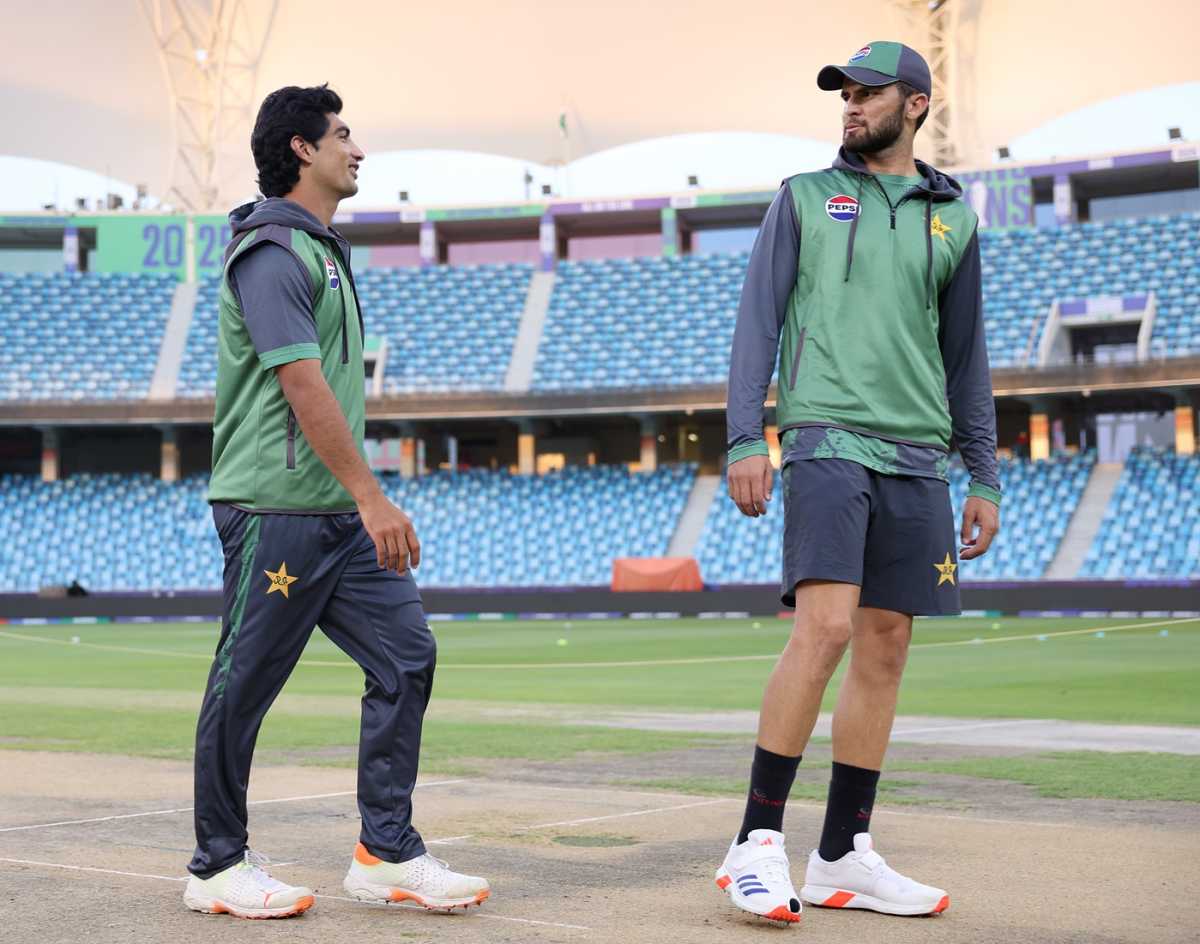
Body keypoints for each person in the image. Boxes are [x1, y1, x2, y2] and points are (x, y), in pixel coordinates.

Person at [183, 84, 489, 919]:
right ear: (301, 150)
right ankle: (216, 863)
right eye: (344, 135)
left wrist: (357, 504)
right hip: (276, 507)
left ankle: (386, 851)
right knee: (243, 684)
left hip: (337, 517)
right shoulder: (274, 250)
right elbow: (299, 381)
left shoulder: (321, 250)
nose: (359, 149)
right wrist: (373, 496)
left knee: (406, 658)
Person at [715, 42, 1001, 924]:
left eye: (868, 92)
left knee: (885, 646)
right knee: (828, 625)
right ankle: (754, 845)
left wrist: (983, 471)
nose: (850, 104)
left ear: (914, 105)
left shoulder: (955, 217)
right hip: (826, 436)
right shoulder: (803, 197)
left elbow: (965, 356)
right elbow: (756, 320)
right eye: (843, 92)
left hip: (918, 453)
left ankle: (842, 853)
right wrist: (743, 437)